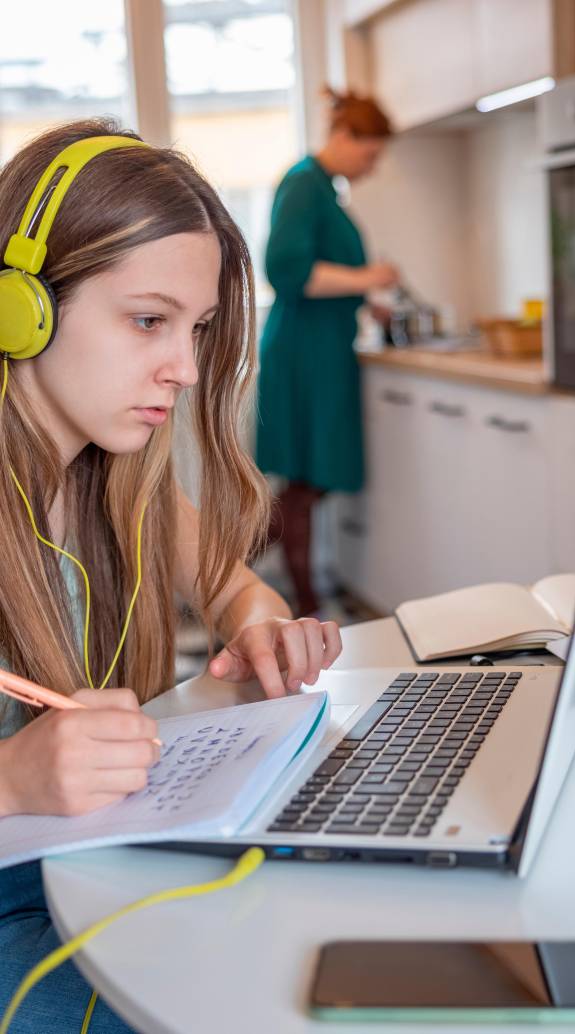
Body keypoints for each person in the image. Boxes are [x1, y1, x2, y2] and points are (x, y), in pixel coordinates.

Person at [0, 119, 343, 1032]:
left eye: (194, 329)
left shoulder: (120, 479)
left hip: (93, 864)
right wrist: (9, 781)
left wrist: (259, 623)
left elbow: (231, 585)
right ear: (20, 306)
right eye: (149, 321)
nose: (187, 369)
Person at [256, 88, 398, 618]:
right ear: (344, 136)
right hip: (303, 355)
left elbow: (323, 272)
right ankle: (296, 602)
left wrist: (368, 300)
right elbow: (289, 271)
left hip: (321, 349)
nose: (372, 165)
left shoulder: (323, 190)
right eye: (370, 153)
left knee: (306, 484)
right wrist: (370, 277)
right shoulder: (302, 185)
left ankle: (226, 575)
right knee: (304, 483)